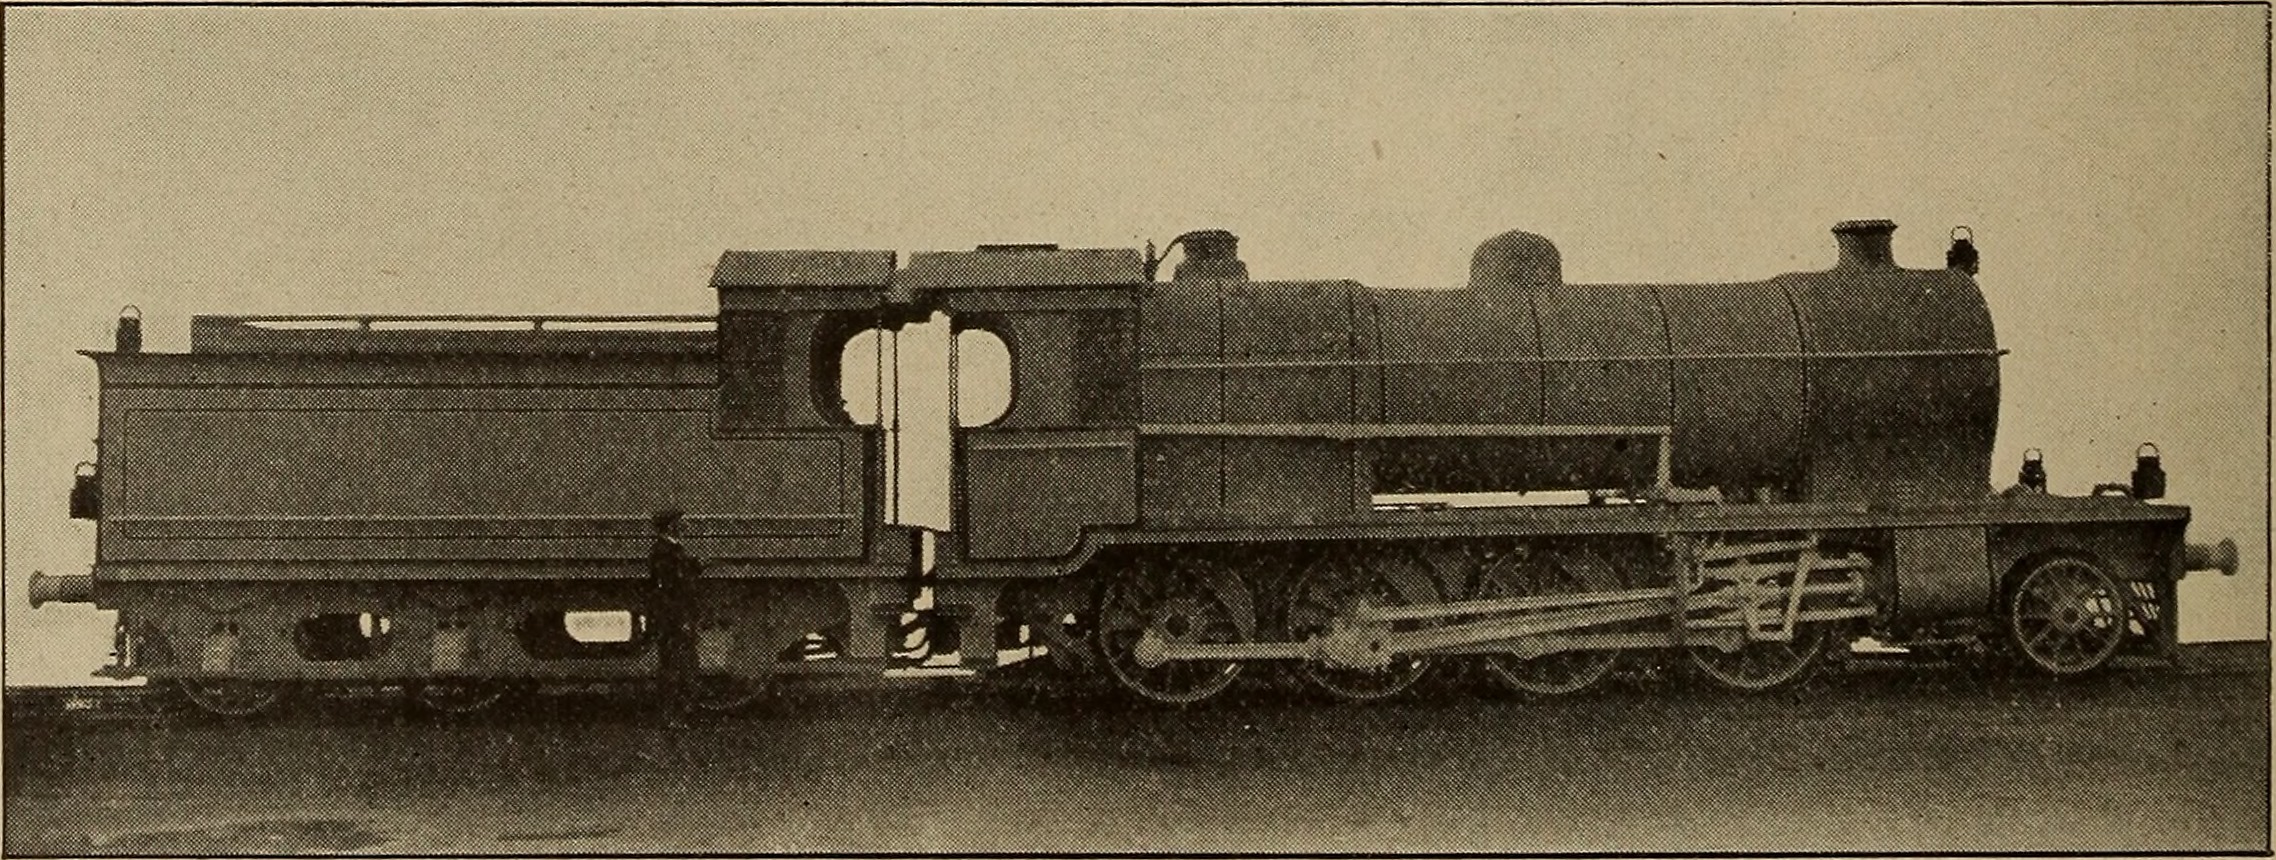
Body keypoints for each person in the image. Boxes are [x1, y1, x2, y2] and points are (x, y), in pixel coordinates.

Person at [647, 508, 703, 727]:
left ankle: (674, 714)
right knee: (680, 666)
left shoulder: (667, 551)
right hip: (675, 618)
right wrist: (683, 620)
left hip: (672, 618)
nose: (686, 525)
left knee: (674, 665)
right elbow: (675, 589)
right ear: (672, 526)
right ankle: (676, 714)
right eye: (682, 522)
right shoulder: (667, 553)